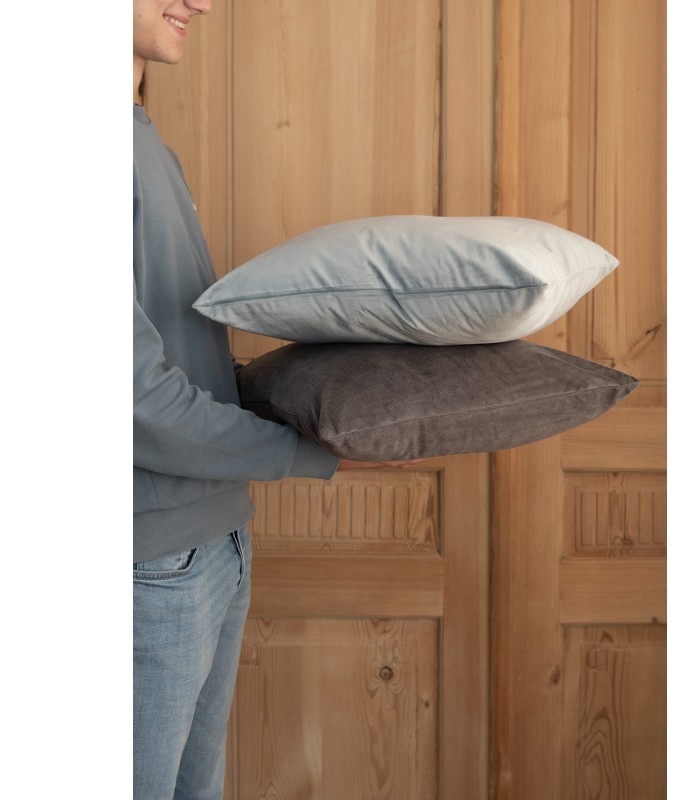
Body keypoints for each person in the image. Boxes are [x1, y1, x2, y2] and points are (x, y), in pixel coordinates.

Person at [133, 2, 420, 797]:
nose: (201, 1)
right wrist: (310, 451)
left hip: (214, 538)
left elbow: (180, 363)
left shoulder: (144, 140)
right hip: (146, 563)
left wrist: (330, 403)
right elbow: (133, 404)